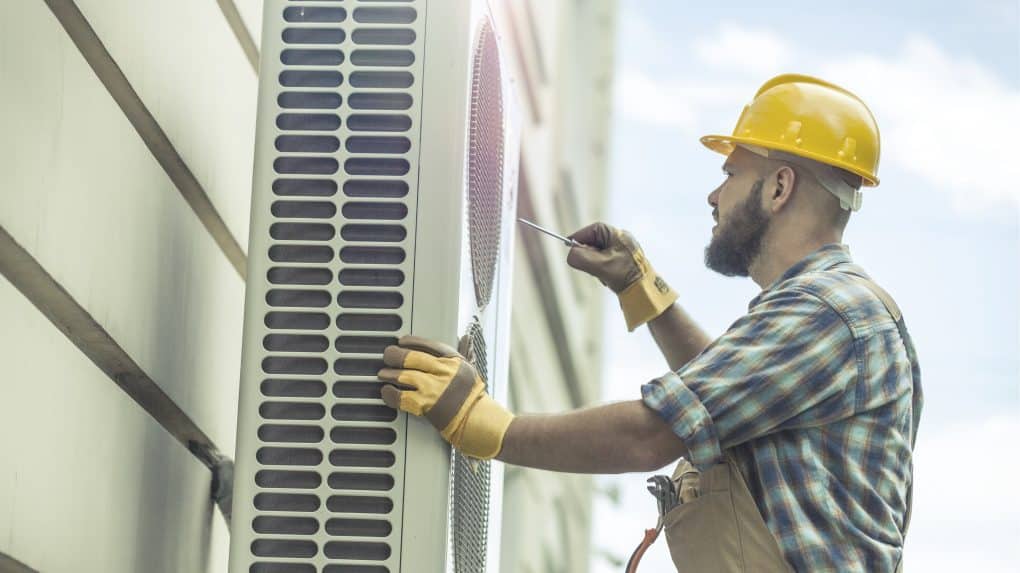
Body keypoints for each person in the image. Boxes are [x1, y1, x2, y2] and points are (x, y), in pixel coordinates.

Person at [377, 74, 922, 572]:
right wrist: (641, 288)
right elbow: (722, 397)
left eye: (731, 173)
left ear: (779, 187)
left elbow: (652, 432)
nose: (714, 195)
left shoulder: (827, 311)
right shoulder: (829, 312)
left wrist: (488, 426)